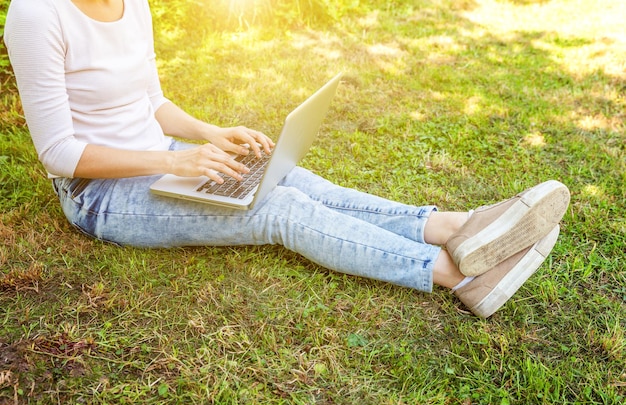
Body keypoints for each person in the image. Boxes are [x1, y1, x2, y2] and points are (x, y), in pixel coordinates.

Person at [4, 0, 570, 318]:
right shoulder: (38, 14)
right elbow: (59, 154)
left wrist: (210, 133)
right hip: (98, 194)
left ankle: (454, 226)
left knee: (289, 179)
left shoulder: (133, 4)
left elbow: (150, 100)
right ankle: (453, 275)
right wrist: (174, 164)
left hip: (165, 155)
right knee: (281, 210)